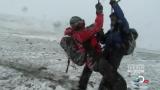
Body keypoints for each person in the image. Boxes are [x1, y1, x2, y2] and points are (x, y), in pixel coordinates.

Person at [64, 2, 104, 90]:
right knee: (109, 76)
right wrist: (99, 12)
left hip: (89, 58)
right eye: (80, 21)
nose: (82, 22)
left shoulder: (76, 33)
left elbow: (93, 30)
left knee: (85, 76)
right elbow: (98, 25)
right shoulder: (83, 33)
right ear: (76, 24)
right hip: (94, 58)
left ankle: (81, 87)